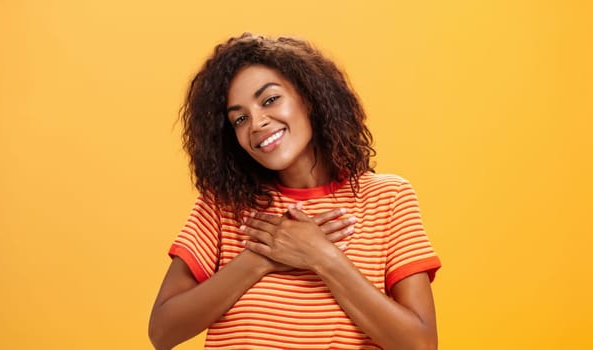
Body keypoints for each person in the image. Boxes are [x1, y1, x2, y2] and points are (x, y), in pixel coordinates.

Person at [148, 33, 441, 350]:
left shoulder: (388, 199)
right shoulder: (223, 205)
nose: (257, 123)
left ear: (310, 98)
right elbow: (163, 332)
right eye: (240, 118)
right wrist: (259, 259)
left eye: (270, 100)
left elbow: (420, 345)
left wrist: (321, 256)